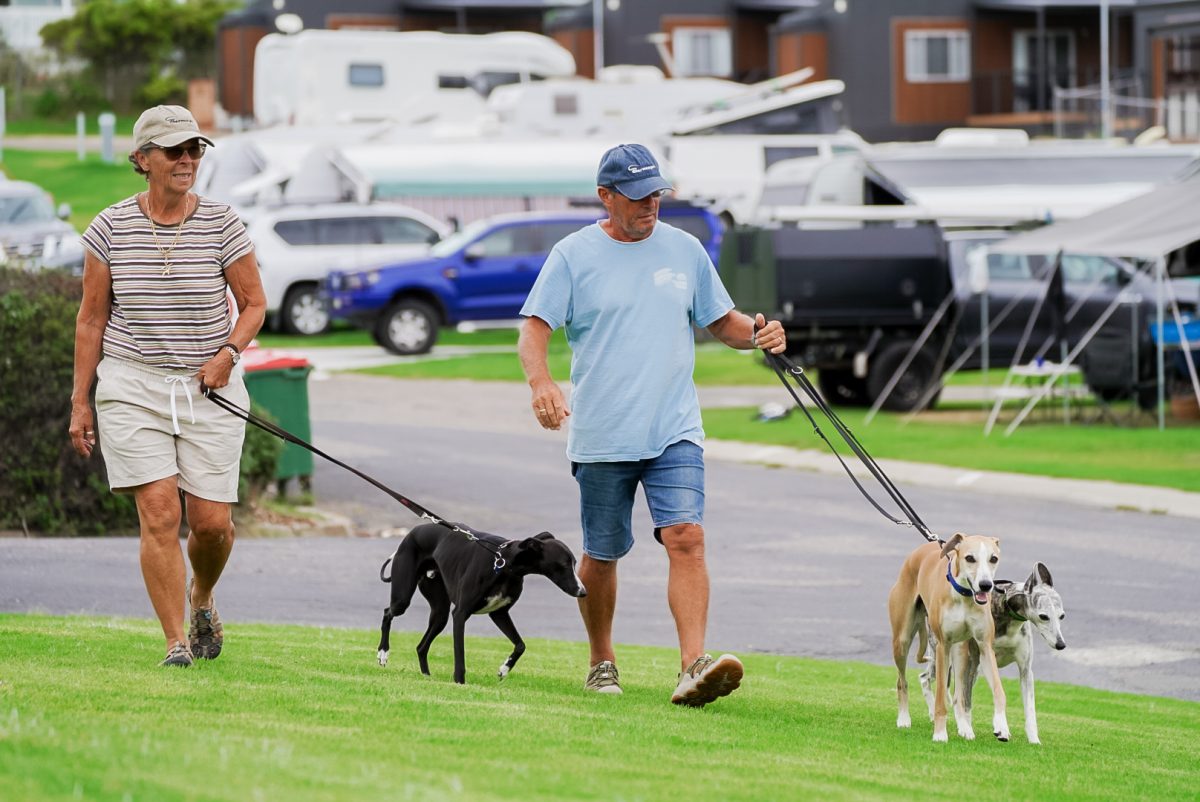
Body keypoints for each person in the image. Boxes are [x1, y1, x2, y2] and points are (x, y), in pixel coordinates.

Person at [518, 143, 787, 707]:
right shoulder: (572, 255)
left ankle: (694, 666)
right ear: (606, 196)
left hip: (674, 426)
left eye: (657, 195)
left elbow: (722, 322)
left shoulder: (684, 250)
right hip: (603, 430)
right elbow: (535, 328)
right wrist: (542, 384)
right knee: (602, 553)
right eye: (638, 197)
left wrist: (758, 333)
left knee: (686, 537)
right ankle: (601, 661)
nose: (650, 207)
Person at [68, 105, 266, 668]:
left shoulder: (224, 222)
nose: (187, 160)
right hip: (132, 382)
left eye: (194, 150)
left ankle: (201, 595)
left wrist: (228, 355)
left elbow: (253, 305)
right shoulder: (109, 227)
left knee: (212, 525)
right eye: (174, 151)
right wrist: (80, 401)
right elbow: (90, 319)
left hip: (210, 384)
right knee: (158, 512)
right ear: (142, 160)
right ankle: (175, 643)